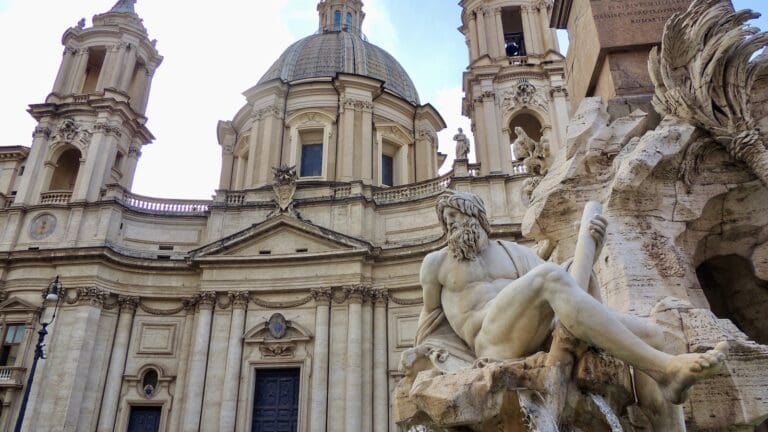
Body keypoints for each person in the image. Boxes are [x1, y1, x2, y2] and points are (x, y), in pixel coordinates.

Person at [417, 190, 727, 408]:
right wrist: (435, 361)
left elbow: (569, 289)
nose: (450, 224)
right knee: (549, 275)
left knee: (654, 334)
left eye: (455, 215)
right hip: (490, 341)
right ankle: (666, 369)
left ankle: (668, 387)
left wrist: (591, 250)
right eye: (446, 219)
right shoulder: (437, 263)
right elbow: (429, 325)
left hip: (535, 332)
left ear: (476, 216)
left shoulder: (515, 253)